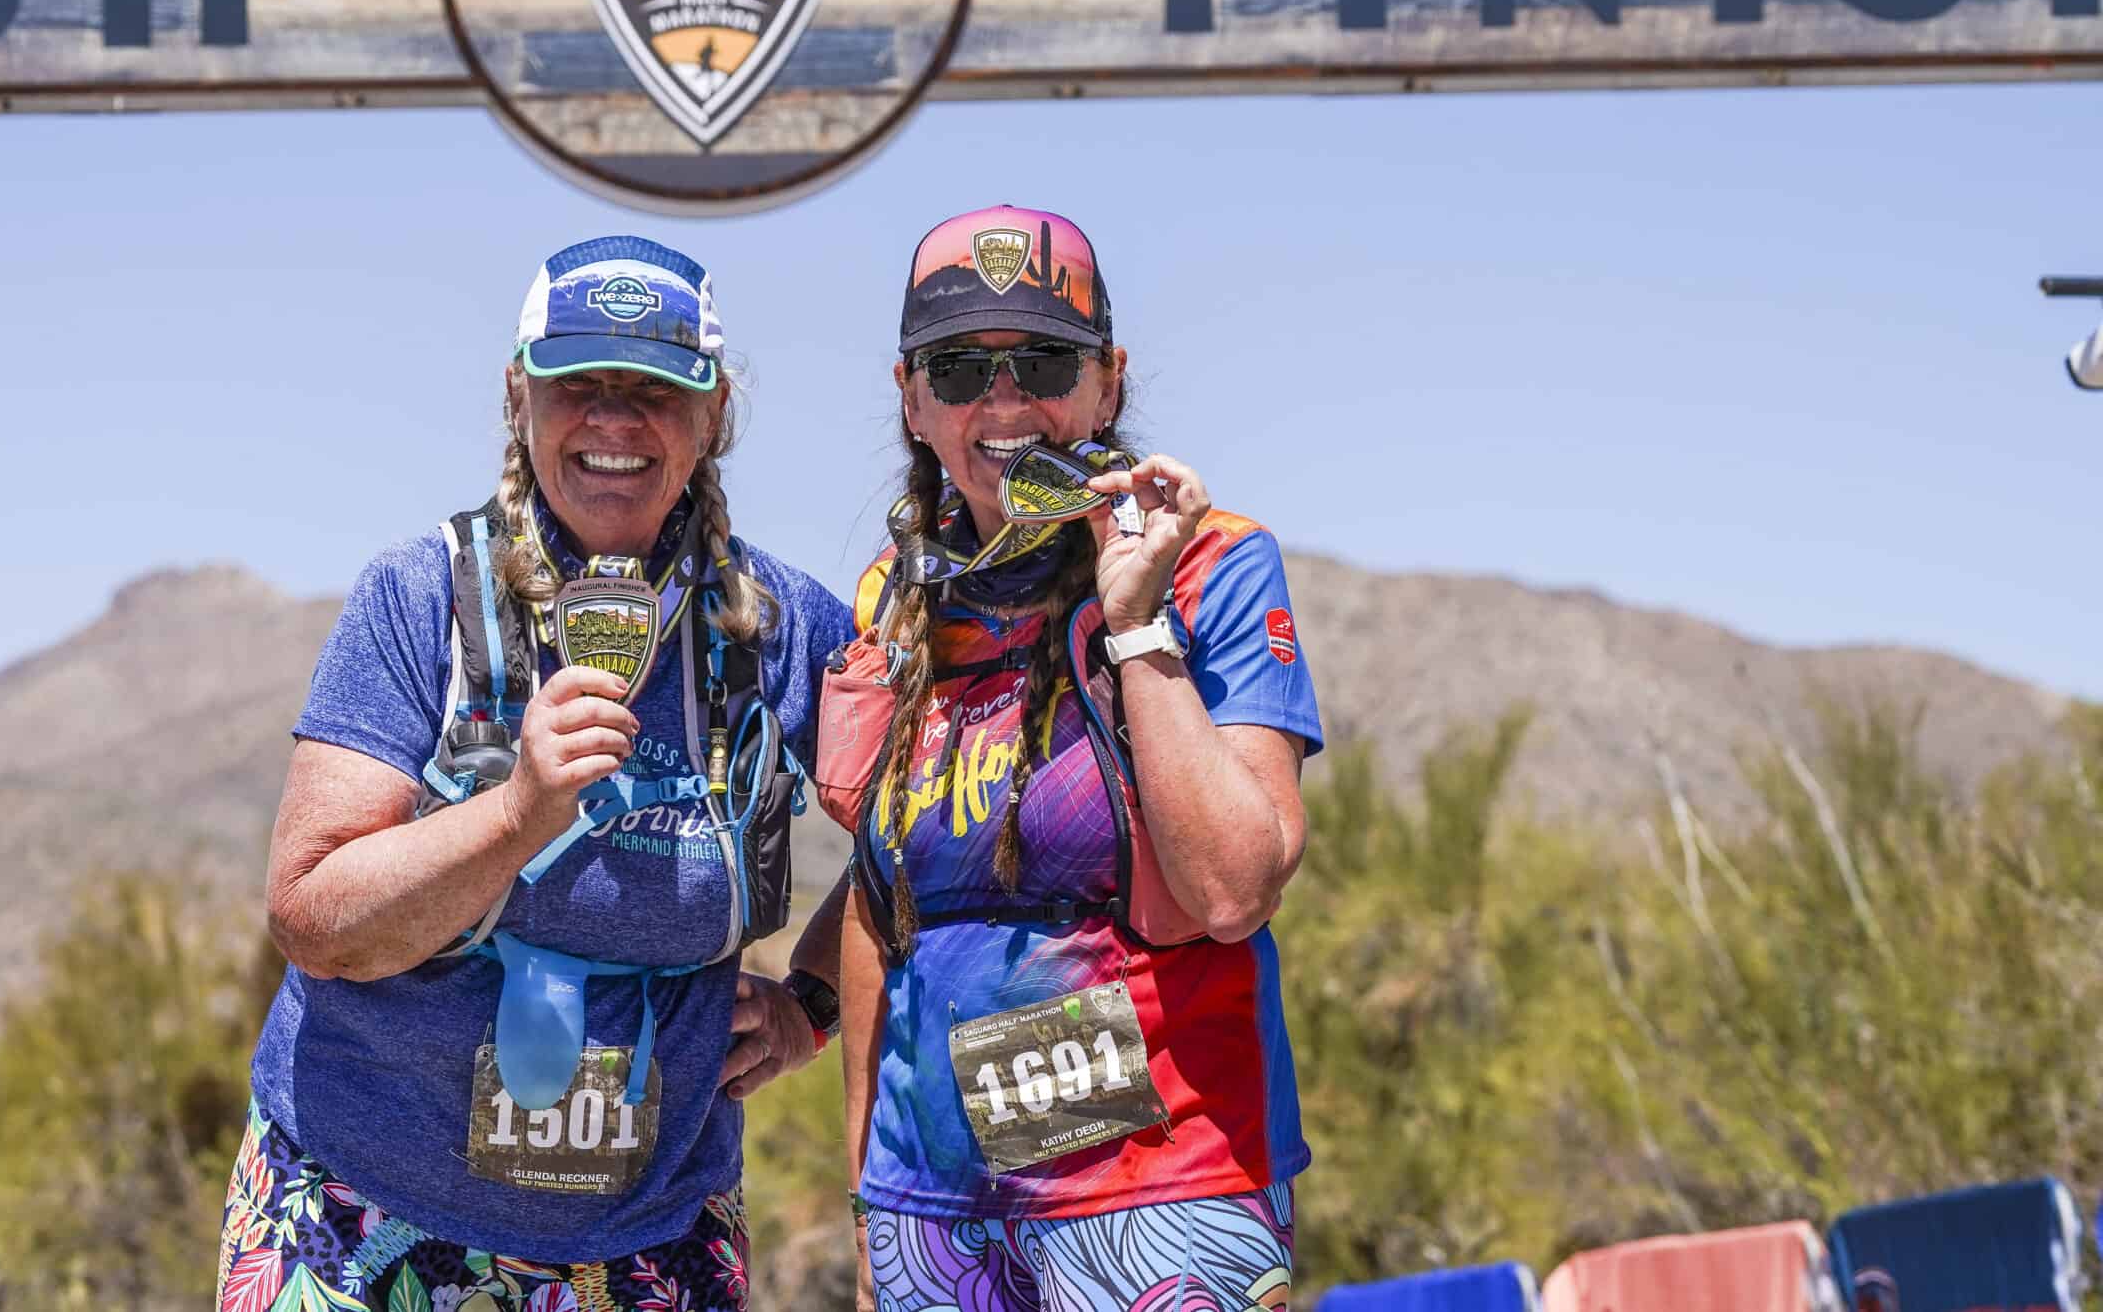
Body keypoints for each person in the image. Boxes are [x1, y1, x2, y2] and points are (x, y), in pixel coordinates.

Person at [226, 236, 855, 1312]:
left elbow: (934, 837)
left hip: (655, 1238)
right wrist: (517, 812)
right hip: (359, 1216)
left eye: (655, 389)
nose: (615, 421)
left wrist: (811, 1001)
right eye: (579, 385)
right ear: (521, 398)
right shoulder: (421, 598)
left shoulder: (777, 627)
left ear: (712, 419)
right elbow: (313, 917)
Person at [819, 206, 1322, 1312]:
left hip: (1161, 1193)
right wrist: (868, 1195)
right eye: (959, 370)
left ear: (1106, 382)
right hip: (934, 1216)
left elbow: (1236, 890)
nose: (1003, 406)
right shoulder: (890, 602)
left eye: (1042, 362)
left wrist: (1135, 625)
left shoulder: (1214, 566)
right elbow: (876, 912)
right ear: (911, 397)